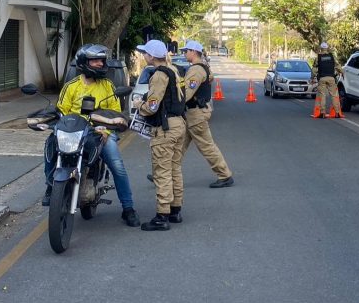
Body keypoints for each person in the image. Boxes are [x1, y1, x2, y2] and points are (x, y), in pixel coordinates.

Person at [43, 44, 140, 227]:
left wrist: (106, 131)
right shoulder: (71, 86)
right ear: (83, 63)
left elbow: (115, 113)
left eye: (101, 60)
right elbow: (61, 112)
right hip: (74, 132)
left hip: (100, 132)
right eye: (94, 60)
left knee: (117, 166)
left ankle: (128, 208)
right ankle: (50, 187)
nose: (99, 63)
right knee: (50, 145)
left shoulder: (108, 86)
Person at [136, 39, 186, 231]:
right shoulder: (173, 70)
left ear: (150, 56)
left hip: (165, 129)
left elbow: (152, 107)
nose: (143, 56)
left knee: (162, 172)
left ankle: (161, 216)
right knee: (175, 169)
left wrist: (139, 105)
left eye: (145, 53)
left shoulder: (158, 75)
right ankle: (175, 210)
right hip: (179, 124)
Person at [181, 40, 234, 188]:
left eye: (186, 51)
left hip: (195, 115)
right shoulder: (203, 67)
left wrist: (172, 104)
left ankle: (225, 175)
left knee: (207, 147)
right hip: (193, 114)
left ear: (193, 52)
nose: (184, 54)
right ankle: (164, 173)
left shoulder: (196, 70)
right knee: (178, 146)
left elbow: (187, 93)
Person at [312, 42, 343, 118]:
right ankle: (337, 113)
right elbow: (338, 66)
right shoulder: (332, 56)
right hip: (331, 78)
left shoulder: (318, 58)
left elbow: (314, 69)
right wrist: (342, 72)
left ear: (321, 49)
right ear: (327, 48)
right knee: (334, 95)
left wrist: (312, 77)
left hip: (322, 78)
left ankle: (322, 113)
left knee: (322, 96)